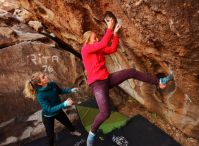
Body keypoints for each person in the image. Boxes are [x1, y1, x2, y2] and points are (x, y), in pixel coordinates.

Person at [81, 16, 173, 146]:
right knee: (105, 113)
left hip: (107, 79)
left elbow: (112, 49)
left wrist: (115, 34)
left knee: (131, 72)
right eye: (94, 38)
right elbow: (102, 43)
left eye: (97, 37)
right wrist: (109, 28)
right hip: (98, 85)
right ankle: (92, 133)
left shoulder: (98, 49)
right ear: (87, 41)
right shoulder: (85, 50)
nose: (97, 39)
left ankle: (159, 82)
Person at [23, 72, 81, 146]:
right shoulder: (40, 95)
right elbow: (49, 109)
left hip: (58, 111)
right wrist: (64, 104)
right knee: (50, 134)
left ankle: (73, 131)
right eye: (43, 77)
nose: (46, 76)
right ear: (40, 83)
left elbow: (60, 91)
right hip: (48, 116)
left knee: (67, 122)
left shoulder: (53, 84)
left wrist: (71, 90)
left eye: (44, 75)